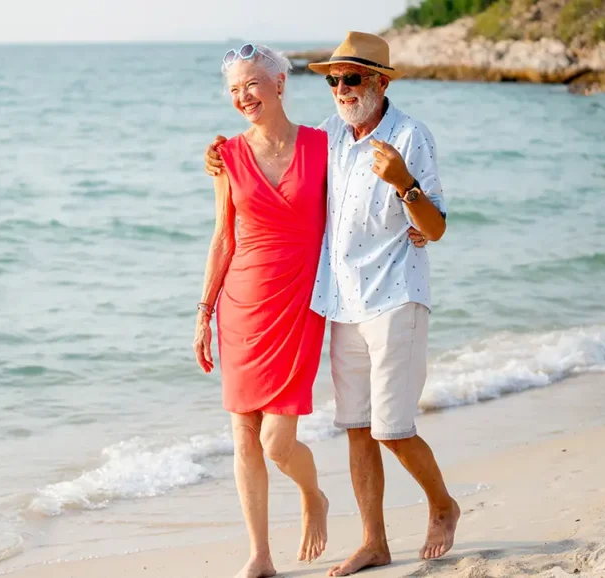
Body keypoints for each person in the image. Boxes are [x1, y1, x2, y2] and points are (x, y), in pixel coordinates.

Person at [204, 32, 459, 577]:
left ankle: (442, 503)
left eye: (354, 78)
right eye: (334, 79)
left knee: (391, 427)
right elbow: (259, 182)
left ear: (380, 81)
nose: (342, 88)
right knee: (357, 427)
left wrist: (405, 186)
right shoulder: (329, 139)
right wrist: (220, 157)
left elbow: (434, 228)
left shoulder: (410, 136)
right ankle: (373, 543)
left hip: (393, 296)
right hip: (338, 302)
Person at [193, 43, 330, 578]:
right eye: (233, 90)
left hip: (299, 304)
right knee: (243, 435)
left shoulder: (322, 146)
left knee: (278, 441)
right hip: (240, 305)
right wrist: (203, 312)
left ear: (279, 83)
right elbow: (222, 239)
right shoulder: (225, 156)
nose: (243, 97)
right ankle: (260, 555)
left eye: (251, 84)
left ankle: (313, 495)